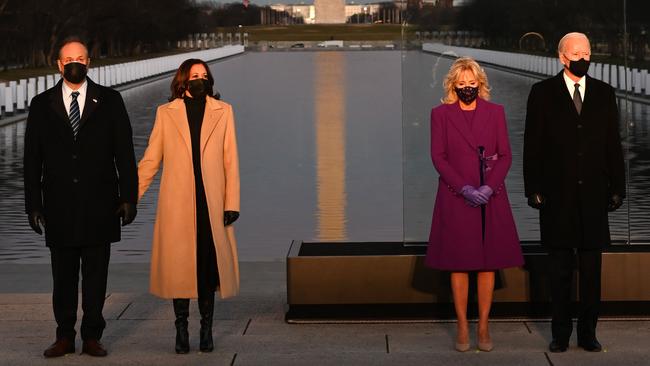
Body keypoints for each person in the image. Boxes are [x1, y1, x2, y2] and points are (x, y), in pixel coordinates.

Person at [23, 37, 138, 358]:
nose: (76, 62)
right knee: (62, 277)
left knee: (95, 276)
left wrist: (129, 196)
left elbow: (125, 153)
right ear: (59, 65)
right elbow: (32, 160)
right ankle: (63, 336)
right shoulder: (41, 104)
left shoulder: (111, 100)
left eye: (81, 57)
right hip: (58, 205)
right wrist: (33, 205)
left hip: (101, 204)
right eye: (69, 58)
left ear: (90, 62)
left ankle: (91, 336)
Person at [523, 32, 625, 353]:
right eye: (576, 53)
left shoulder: (605, 93)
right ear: (562, 57)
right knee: (560, 272)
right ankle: (560, 333)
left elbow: (613, 145)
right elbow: (532, 146)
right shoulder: (541, 94)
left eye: (587, 52)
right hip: (557, 199)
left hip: (594, 197)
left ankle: (588, 332)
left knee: (592, 273)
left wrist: (617, 187)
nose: (583, 57)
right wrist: (534, 188)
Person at [137, 59, 240, 354]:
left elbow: (230, 161)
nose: (200, 80)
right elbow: (151, 160)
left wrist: (231, 202)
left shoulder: (224, 111)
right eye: (194, 76)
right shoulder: (166, 113)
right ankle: (181, 327)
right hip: (178, 203)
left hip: (212, 201)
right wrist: (130, 196)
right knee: (180, 269)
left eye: (204, 76)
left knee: (207, 268)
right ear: (183, 80)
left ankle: (206, 328)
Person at [425, 57, 524, 352]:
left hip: (490, 196)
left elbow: (505, 155)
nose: (467, 88)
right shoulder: (440, 114)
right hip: (456, 196)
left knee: (486, 264)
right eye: (462, 84)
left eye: (472, 84)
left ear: (480, 84)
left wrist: (488, 187)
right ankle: (462, 326)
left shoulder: (496, 112)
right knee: (458, 263)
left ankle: (483, 325)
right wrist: (464, 187)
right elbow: (438, 157)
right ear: (453, 85)